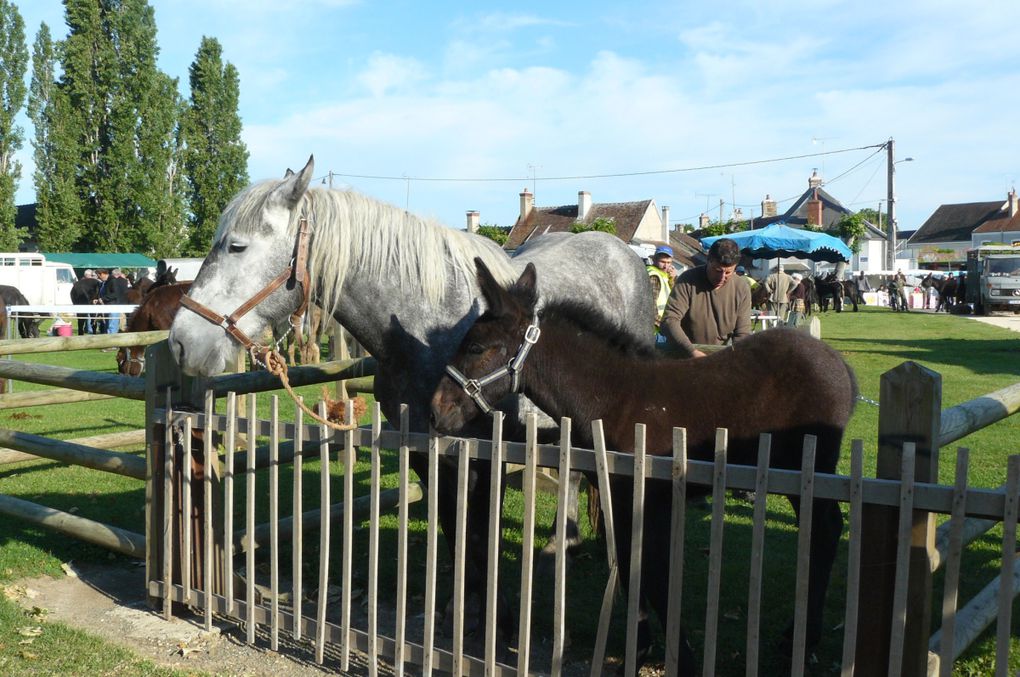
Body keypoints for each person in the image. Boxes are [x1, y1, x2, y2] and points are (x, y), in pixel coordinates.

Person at [660, 238, 751, 358]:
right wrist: (691, 351)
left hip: (721, 358)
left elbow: (742, 333)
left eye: (728, 273)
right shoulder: (687, 280)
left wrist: (735, 358)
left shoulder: (741, 288)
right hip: (685, 357)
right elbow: (669, 320)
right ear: (708, 260)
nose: (722, 278)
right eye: (717, 270)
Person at [646, 245, 677, 338]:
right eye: (662, 262)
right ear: (654, 260)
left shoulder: (664, 275)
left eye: (669, 263)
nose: (666, 266)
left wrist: (672, 279)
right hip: (656, 330)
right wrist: (661, 325)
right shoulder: (654, 276)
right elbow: (650, 305)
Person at [100, 268, 130, 333]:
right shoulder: (125, 281)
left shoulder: (111, 281)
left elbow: (115, 293)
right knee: (120, 323)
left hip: (113, 303)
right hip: (123, 303)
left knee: (111, 323)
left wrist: (103, 298)